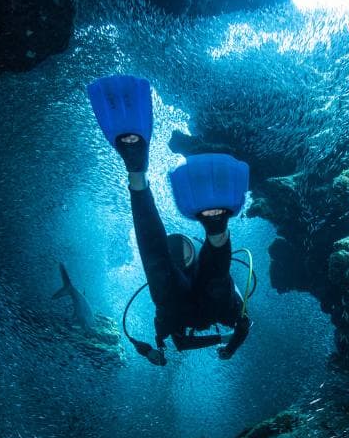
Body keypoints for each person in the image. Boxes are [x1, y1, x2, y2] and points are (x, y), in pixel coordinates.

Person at [88, 75, 252, 365]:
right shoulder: (213, 294)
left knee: (161, 265)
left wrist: (155, 351)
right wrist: (227, 346)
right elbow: (242, 325)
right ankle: (215, 231)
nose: (182, 258)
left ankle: (138, 175)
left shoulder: (174, 299)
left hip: (183, 306)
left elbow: (177, 342)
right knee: (199, 274)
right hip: (210, 304)